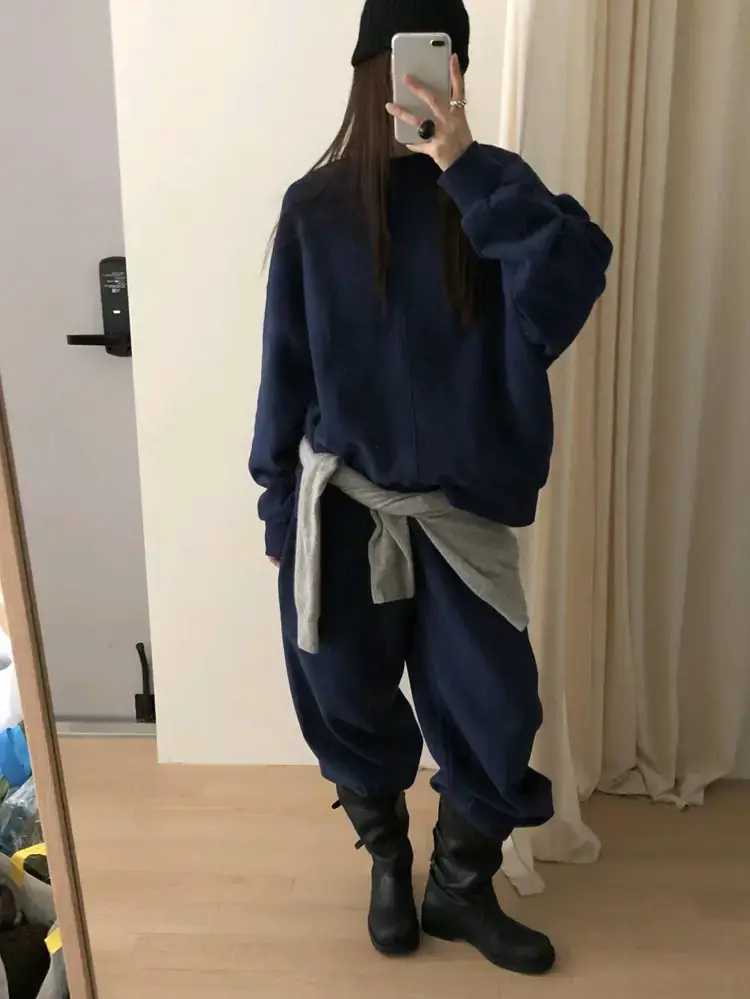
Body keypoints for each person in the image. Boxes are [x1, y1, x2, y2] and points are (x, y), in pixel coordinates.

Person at [250, 0, 612, 977]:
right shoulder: (316, 210)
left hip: (463, 514)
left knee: (495, 711)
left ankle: (459, 888)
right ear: (373, 72)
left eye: (444, 62)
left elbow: (572, 282)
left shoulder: (495, 194)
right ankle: (387, 862)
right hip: (343, 511)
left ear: (458, 74)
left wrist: (467, 170)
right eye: (407, 62)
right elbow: (285, 370)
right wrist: (278, 506)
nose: (424, 82)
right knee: (344, 697)